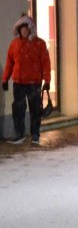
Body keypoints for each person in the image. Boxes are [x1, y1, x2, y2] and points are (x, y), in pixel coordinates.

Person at [2, 15, 51, 145]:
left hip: (34, 83)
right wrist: (5, 79)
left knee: (35, 109)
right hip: (19, 82)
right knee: (18, 109)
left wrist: (47, 81)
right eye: (22, 29)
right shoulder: (15, 44)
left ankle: (35, 134)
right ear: (18, 30)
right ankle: (19, 134)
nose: (24, 31)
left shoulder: (39, 43)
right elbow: (9, 63)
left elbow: (45, 62)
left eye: (26, 29)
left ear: (30, 29)